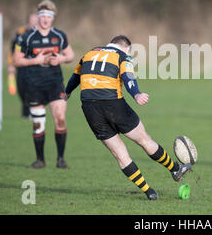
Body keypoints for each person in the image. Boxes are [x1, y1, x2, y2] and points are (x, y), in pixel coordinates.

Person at [64, 35, 192, 200]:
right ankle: (175, 169)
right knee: (144, 140)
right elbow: (128, 77)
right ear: (126, 48)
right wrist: (136, 94)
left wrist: (67, 92)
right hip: (113, 104)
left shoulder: (89, 53)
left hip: (89, 107)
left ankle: (149, 192)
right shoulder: (123, 56)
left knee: (120, 154)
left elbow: (76, 76)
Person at [13, 0, 75, 169]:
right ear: (38, 17)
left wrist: (61, 58)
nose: (45, 19)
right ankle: (40, 160)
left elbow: (70, 55)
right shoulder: (26, 37)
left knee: (60, 118)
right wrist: (36, 60)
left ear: (53, 18)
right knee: (38, 123)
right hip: (34, 85)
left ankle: (60, 159)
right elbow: (16, 61)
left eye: (49, 16)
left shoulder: (59, 36)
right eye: (42, 15)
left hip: (55, 84)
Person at [8, 13, 38, 118]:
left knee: (32, 89)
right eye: (32, 20)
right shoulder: (20, 32)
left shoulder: (41, 33)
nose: (34, 23)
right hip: (21, 65)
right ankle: (26, 114)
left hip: (35, 66)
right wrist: (11, 64)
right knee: (21, 89)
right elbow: (13, 49)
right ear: (28, 21)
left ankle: (31, 113)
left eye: (36, 20)